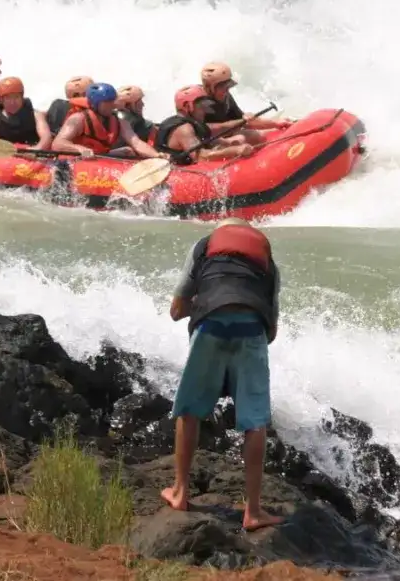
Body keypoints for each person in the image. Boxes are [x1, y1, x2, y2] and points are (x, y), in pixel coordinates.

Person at [162, 218, 284, 532]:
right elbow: (271, 331)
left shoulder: (203, 247)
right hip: (252, 328)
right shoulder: (268, 264)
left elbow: (176, 310)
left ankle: (179, 492)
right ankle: (253, 511)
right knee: (254, 422)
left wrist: (205, 303)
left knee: (189, 411)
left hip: (211, 324)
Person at [49, 82, 165, 159]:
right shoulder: (78, 119)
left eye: (112, 101)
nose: (112, 105)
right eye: (107, 102)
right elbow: (58, 144)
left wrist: (157, 155)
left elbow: (136, 143)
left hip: (99, 158)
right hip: (75, 160)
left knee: (128, 151)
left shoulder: (120, 122)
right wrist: (80, 149)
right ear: (95, 104)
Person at [199, 62, 293, 146]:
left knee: (257, 135)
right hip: (207, 144)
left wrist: (275, 123)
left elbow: (244, 122)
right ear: (209, 87)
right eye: (223, 87)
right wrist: (242, 122)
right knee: (245, 137)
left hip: (226, 135)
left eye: (227, 85)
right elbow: (209, 130)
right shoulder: (199, 104)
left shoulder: (225, 96)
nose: (227, 89)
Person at [155, 86, 254, 163]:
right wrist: (236, 150)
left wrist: (243, 120)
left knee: (240, 138)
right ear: (187, 106)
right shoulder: (183, 129)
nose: (205, 111)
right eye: (201, 106)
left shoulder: (192, 122)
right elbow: (200, 156)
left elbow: (222, 127)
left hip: (191, 160)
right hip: (179, 170)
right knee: (234, 144)